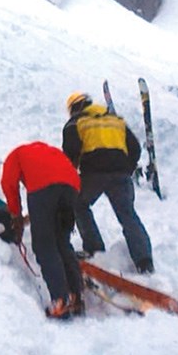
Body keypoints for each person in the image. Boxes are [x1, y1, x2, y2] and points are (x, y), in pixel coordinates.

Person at [62, 92, 154, 274]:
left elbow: (70, 156)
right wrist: (125, 169)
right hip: (121, 174)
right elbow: (135, 148)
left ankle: (94, 249)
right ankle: (144, 261)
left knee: (79, 205)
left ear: (73, 108)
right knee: (128, 214)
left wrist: (70, 179)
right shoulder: (116, 121)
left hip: (93, 174)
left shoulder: (75, 123)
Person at [1, 141, 83, 320]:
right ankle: (76, 296)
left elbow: (9, 185)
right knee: (62, 242)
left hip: (42, 186)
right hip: (72, 185)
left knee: (44, 245)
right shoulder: (45, 152)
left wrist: (16, 217)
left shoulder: (14, 156)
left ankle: (59, 300)